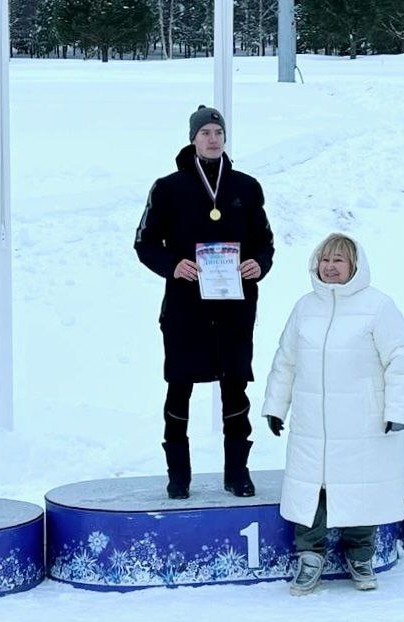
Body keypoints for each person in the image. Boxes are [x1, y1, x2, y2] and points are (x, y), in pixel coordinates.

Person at [262, 233, 404, 595]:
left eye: (339, 260)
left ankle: (360, 555)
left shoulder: (379, 306)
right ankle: (309, 557)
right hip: (311, 421)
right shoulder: (304, 307)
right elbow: (285, 361)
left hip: (363, 420)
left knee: (360, 486)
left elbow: (401, 361)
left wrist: (398, 409)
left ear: (354, 266)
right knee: (311, 489)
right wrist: (275, 406)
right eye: (325, 259)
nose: (330, 267)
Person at [135, 105, 275, 500]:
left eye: (218, 132)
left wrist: (258, 264)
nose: (213, 139)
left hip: (234, 308)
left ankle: (238, 473)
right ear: (192, 139)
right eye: (205, 133)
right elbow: (144, 243)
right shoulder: (168, 188)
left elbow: (265, 242)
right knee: (179, 389)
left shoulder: (246, 188)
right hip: (185, 309)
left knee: (235, 390)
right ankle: (178, 477)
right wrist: (173, 265)